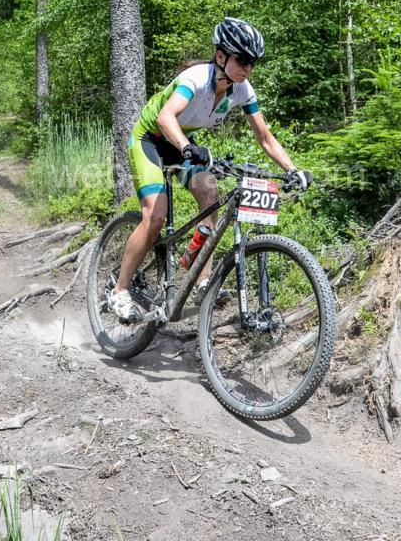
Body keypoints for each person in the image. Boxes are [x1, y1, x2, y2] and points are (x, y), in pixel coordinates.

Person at [108, 17, 312, 321]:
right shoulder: (196, 79)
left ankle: (201, 280)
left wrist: (293, 170)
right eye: (242, 60)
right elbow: (165, 118)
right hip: (149, 139)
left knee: (211, 195)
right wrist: (187, 148)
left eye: (253, 62)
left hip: (179, 142)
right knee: (156, 215)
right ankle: (119, 291)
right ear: (220, 56)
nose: (248, 68)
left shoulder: (241, 90)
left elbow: (265, 137)